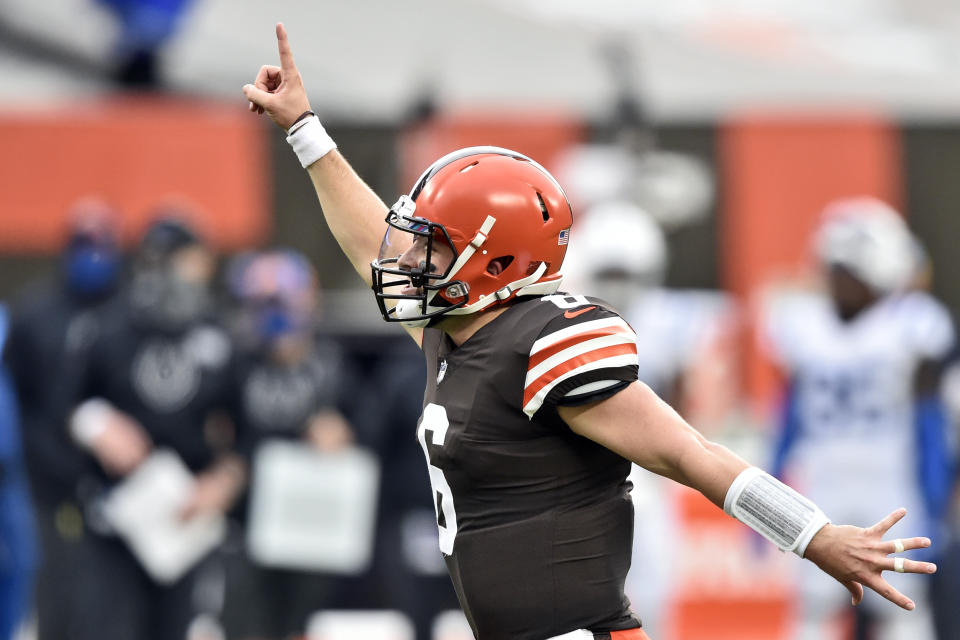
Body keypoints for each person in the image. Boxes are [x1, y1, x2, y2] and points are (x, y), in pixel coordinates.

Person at [241, 24, 937, 640]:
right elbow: (373, 245)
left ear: (499, 259)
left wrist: (814, 536)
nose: (406, 262)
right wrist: (306, 131)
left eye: (432, 249)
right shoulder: (452, 333)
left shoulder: (542, 343)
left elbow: (691, 455)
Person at [762, 198, 955, 640]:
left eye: (851, 271)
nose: (841, 281)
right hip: (822, 480)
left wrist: (934, 494)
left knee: (902, 606)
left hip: (890, 483)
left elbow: (928, 424)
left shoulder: (912, 323)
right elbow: (789, 418)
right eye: (836, 270)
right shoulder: (802, 324)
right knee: (813, 607)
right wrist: (770, 486)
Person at [63, 217, 244, 640]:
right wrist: (95, 424)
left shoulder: (219, 333)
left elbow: (247, 424)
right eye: (190, 262)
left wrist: (226, 479)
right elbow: (60, 403)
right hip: (115, 520)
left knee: (176, 628)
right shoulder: (107, 328)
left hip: (186, 521)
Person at [220, 249, 357, 640]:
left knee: (301, 623)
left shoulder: (333, 362)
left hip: (312, 524)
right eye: (261, 303)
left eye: (279, 301)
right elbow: (220, 430)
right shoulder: (237, 362)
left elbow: (372, 422)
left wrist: (344, 430)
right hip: (247, 527)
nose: (271, 312)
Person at [3, 199, 122, 640]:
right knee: (55, 596)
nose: (92, 255)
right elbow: (20, 401)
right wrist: (52, 462)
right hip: (48, 481)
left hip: (119, 486)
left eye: (100, 244)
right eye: (82, 244)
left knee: (110, 605)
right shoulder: (34, 313)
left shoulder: (128, 313)